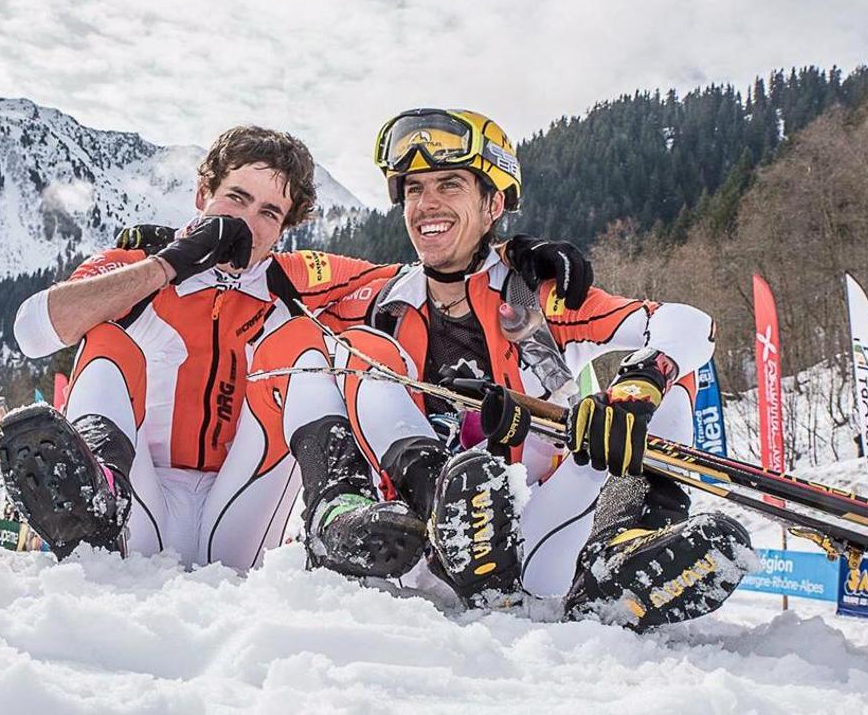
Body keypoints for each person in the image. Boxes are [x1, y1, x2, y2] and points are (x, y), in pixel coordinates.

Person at [0, 124, 584, 572]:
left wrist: (512, 258)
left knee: (307, 338)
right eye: (235, 199)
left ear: (284, 228)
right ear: (204, 194)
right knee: (107, 337)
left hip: (241, 508)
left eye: (269, 212)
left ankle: (333, 508)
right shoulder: (137, 267)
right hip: (139, 499)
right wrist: (173, 262)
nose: (247, 223)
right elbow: (34, 330)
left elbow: (426, 274)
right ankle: (94, 499)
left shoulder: (296, 277)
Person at [256, 107, 752, 629]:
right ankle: (344, 511)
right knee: (345, 349)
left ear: (493, 204)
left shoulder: (536, 296)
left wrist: (637, 388)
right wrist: (174, 248)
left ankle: (623, 546)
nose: (427, 204)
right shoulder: (381, 296)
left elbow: (689, 324)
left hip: (537, 534)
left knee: (666, 377)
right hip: (419, 537)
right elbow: (256, 260)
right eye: (414, 189)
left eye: (450, 185)